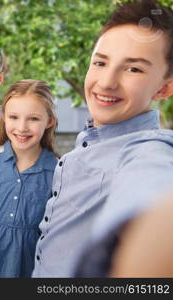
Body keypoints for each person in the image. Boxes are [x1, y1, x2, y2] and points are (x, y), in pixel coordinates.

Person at [32, 0, 173, 277]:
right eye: (100, 62)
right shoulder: (86, 145)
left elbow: (152, 189)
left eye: (134, 69)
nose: (107, 82)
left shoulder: (147, 152)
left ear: (165, 87)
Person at [0, 80, 58, 278]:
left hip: (31, 261)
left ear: (49, 121)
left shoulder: (58, 170)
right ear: (4, 117)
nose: (22, 127)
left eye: (33, 119)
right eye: (14, 117)